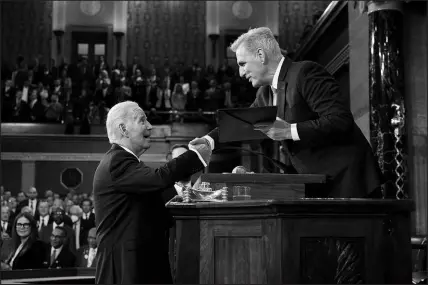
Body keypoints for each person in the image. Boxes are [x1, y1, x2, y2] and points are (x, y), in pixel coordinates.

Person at [191, 27, 383, 198]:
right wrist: (208, 142)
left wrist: (289, 131)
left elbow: (340, 120)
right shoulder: (264, 93)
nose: (241, 73)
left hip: (349, 182)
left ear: (261, 55)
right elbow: (240, 123)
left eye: (242, 64)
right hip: (318, 185)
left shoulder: (305, 73)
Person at [93, 101, 211, 284]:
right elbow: (159, 178)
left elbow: (158, 211)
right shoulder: (118, 162)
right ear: (123, 129)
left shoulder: (128, 164)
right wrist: (198, 153)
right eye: (142, 120)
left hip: (141, 268)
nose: (150, 126)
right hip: (125, 271)